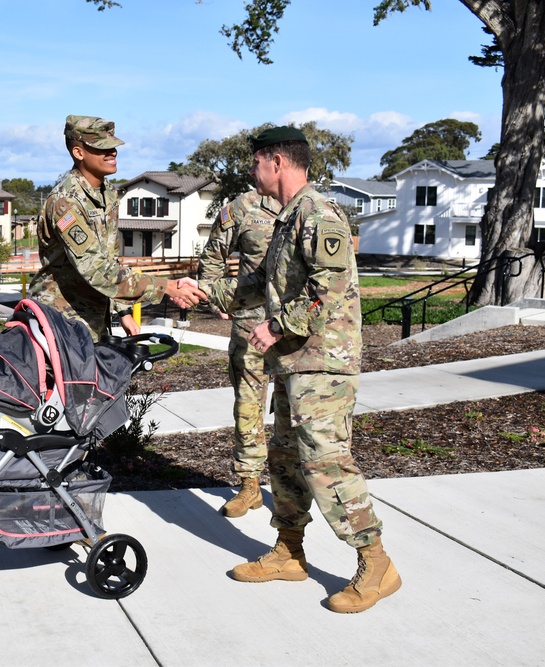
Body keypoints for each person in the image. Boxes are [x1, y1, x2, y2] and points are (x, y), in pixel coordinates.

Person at [195, 126, 401, 613]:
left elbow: (327, 292)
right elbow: (257, 286)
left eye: (256, 163)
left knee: (326, 461)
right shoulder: (288, 220)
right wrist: (200, 292)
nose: (252, 172)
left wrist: (277, 325)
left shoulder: (317, 215)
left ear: (277, 163)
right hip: (295, 361)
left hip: (324, 364)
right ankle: (290, 551)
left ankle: (376, 563)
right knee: (286, 458)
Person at [28, 115, 204, 341]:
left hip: (91, 320)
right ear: (79, 153)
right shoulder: (66, 203)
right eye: (102, 148)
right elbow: (96, 269)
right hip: (59, 322)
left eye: (113, 147)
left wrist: (121, 310)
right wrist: (165, 287)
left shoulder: (108, 194)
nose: (112, 153)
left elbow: (110, 261)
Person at [197, 190, 281, 517]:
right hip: (251, 320)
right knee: (248, 403)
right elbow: (214, 253)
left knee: (299, 407)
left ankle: (297, 486)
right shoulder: (241, 207)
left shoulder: (306, 203)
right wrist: (217, 296)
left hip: (301, 323)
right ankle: (250, 484)